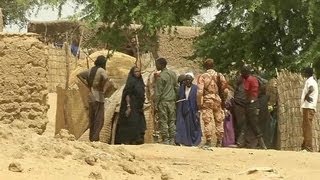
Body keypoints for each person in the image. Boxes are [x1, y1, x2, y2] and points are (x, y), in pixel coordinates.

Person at [77, 55, 111, 142]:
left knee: (92, 118)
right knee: (99, 119)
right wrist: (103, 90)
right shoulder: (102, 70)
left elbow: (79, 75)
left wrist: (87, 85)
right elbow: (107, 80)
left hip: (90, 96)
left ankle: (91, 138)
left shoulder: (90, 70)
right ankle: (95, 139)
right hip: (98, 97)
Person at [197, 59, 229, 147]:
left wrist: (199, 103)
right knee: (219, 120)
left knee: (207, 120)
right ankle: (219, 141)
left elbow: (200, 91)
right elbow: (226, 90)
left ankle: (209, 140)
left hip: (207, 99)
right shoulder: (219, 75)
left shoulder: (202, 76)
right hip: (217, 99)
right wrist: (223, 100)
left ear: (205, 66)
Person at [236, 66, 267, 149]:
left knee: (253, 124)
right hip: (255, 103)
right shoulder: (254, 79)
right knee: (246, 122)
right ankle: (240, 142)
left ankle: (262, 145)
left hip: (250, 104)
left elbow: (247, 92)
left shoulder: (248, 80)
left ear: (245, 73)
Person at [115, 66, 146, 145]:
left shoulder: (140, 81)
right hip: (131, 105)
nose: (138, 73)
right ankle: (128, 141)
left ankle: (137, 140)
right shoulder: (131, 81)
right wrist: (128, 106)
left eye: (139, 71)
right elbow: (127, 94)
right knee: (131, 123)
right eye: (136, 71)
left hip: (138, 106)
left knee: (139, 123)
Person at [155, 57, 178, 145]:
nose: (156, 66)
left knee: (163, 120)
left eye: (157, 64)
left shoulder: (161, 76)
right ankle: (172, 139)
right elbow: (177, 87)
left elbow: (158, 92)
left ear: (161, 65)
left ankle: (166, 139)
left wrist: (156, 103)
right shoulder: (173, 74)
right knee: (172, 120)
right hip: (172, 101)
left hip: (163, 101)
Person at [175, 72, 202, 146]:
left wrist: (198, 110)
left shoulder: (195, 88)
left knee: (193, 126)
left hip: (192, 109)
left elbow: (198, 100)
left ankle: (193, 142)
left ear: (192, 80)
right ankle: (181, 141)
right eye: (186, 80)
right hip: (182, 109)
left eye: (189, 80)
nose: (187, 81)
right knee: (181, 125)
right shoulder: (181, 88)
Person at [300, 67, 318, 152]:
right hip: (308, 106)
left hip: (308, 107)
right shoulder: (312, 80)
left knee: (307, 127)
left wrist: (306, 96)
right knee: (306, 127)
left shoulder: (310, 81)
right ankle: (304, 146)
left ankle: (308, 147)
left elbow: (311, 89)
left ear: (307, 73)